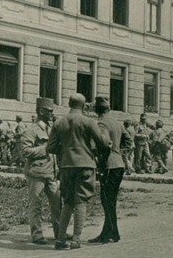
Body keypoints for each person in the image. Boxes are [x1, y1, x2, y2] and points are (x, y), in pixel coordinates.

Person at [47, 93, 110, 250]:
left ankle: (61, 239)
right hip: (85, 164)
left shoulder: (59, 122)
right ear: (83, 105)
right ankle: (76, 239)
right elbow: (102, 143)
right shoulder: (89, 121)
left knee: (67, 201)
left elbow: (50, 147)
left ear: (69, 103)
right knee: (80, 201)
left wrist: (66, 152)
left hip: (67, 165)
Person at [89, 96, 132, 244]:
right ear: (109, 109)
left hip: (108, 166)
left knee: (107, 201)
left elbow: (105, 143)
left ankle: (112, 233)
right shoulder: (116, 122)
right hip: (118, 164)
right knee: (110, 200)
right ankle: (108, 232)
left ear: (96, 110)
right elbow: (128, 141)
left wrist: (99, 155)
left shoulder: (101, 123)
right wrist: (119, 151)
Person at [21, 98, 61, 245]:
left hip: (51, 172)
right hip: (36, 172)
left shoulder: (51, 129)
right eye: (50, 111)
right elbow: (25, 151)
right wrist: (45, 149)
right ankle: (37, 235)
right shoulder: (32, 130)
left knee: (57, 204)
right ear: (41, 111)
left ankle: (60, 232)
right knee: (36, 204)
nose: (52, 113)